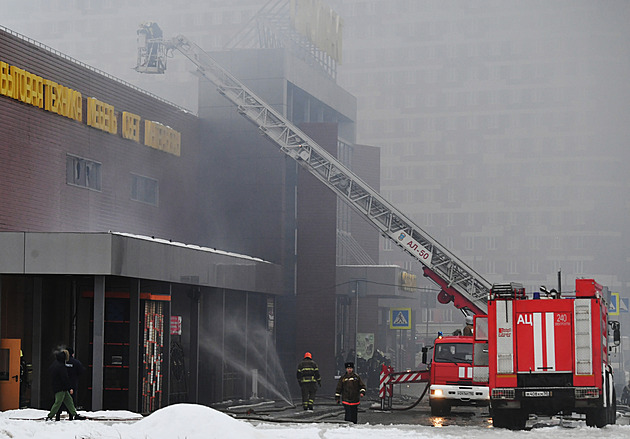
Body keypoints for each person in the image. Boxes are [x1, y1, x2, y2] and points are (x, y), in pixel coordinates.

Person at [46, 350, 85, 421]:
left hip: (58, 387)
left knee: (69, 401)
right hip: (61, 388)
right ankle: (50, 416)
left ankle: (74, 414)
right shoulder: (61, 366)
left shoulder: (54, 364)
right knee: (58, 402)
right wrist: (69, 387)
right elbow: (65, 378)